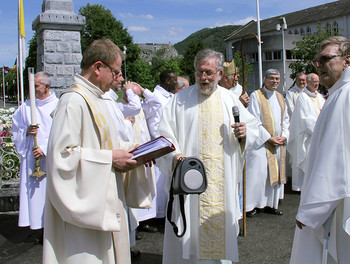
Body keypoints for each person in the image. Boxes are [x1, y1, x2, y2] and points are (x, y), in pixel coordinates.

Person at [43, 39, 153, 264]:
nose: (117, 79)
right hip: (85, 213)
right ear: (97, 67)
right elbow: (61, 157)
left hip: (104, 198)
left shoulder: (96, 99)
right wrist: (109, 159)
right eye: (115, 72)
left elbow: (103, 145)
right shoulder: (73, 101)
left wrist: (135, 150)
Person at [157, 48, 259, 263]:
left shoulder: (230, 100)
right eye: (199, 72)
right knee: (188, 236)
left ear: (220, 74)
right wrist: (174, 155)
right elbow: (164, 136)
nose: (203, 78)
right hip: (188, 184)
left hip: (221, 186)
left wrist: (244, 135)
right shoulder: (179, 100)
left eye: (209, 73)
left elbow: (254, 130)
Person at [290, 36, 350, 264]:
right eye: (317, 61)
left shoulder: (345, 95)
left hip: (338, 199)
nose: (320, 64)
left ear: (347, 60)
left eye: (326, 59)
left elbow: (336, 158)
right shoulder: (337, 93)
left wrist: (311, 210)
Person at [12, 72, 58, 243]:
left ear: (46, 86)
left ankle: (53, 228)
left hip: (50, 159)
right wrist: (27, 132)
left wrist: (45, 149)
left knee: (50, 193)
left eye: (36, 86)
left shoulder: (57, 105)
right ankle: (38, 227)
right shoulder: (25, 107)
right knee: (35, 196)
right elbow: (16, 128)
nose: (33, 90)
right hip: (32, 160)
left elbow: (61, 132)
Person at [246, 69, 289, 217]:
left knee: (275, 174)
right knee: (259, 175)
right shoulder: (256, 96)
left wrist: (284, 135)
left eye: (277, 79)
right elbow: (254, 121)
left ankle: (272, 204)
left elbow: (285, 119)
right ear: (265, 79)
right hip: (262, 144)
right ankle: (254, 206)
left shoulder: (280, 97)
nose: (275, 81)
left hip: (277, 143)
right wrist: (268, 138)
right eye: (271, 78)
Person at [144, 70, 178, 219]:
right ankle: (158, 215)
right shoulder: (156, 97)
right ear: (168, 81)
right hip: (161, 146)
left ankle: (165, 213)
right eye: (175, 79)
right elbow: (154, 124)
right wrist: (164, 142)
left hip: (171, 143)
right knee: (159, 181)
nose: (177, 82)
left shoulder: (172, 97)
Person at [287, 73, 324, 191]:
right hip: (307, 135)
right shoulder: (303, 97)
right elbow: (305, 119)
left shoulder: (319, 96)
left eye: (318, 82)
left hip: (318, 134)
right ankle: (301, 187)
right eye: (314, 82)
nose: (317, 84)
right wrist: (319, 129)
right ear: (308, 82)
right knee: (305, 160)